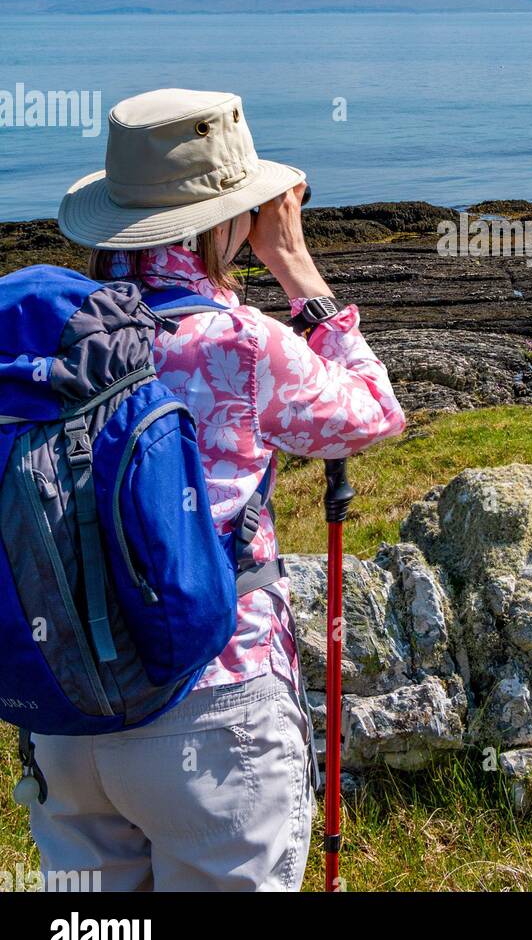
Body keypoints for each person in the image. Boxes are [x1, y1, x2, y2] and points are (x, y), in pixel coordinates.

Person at [30, 87, 405, 891]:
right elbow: (374, 414)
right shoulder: (236, 342)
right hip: (213, 703)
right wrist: (294, 265)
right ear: (227, 219)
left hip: (64, 707)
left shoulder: (53, 338)